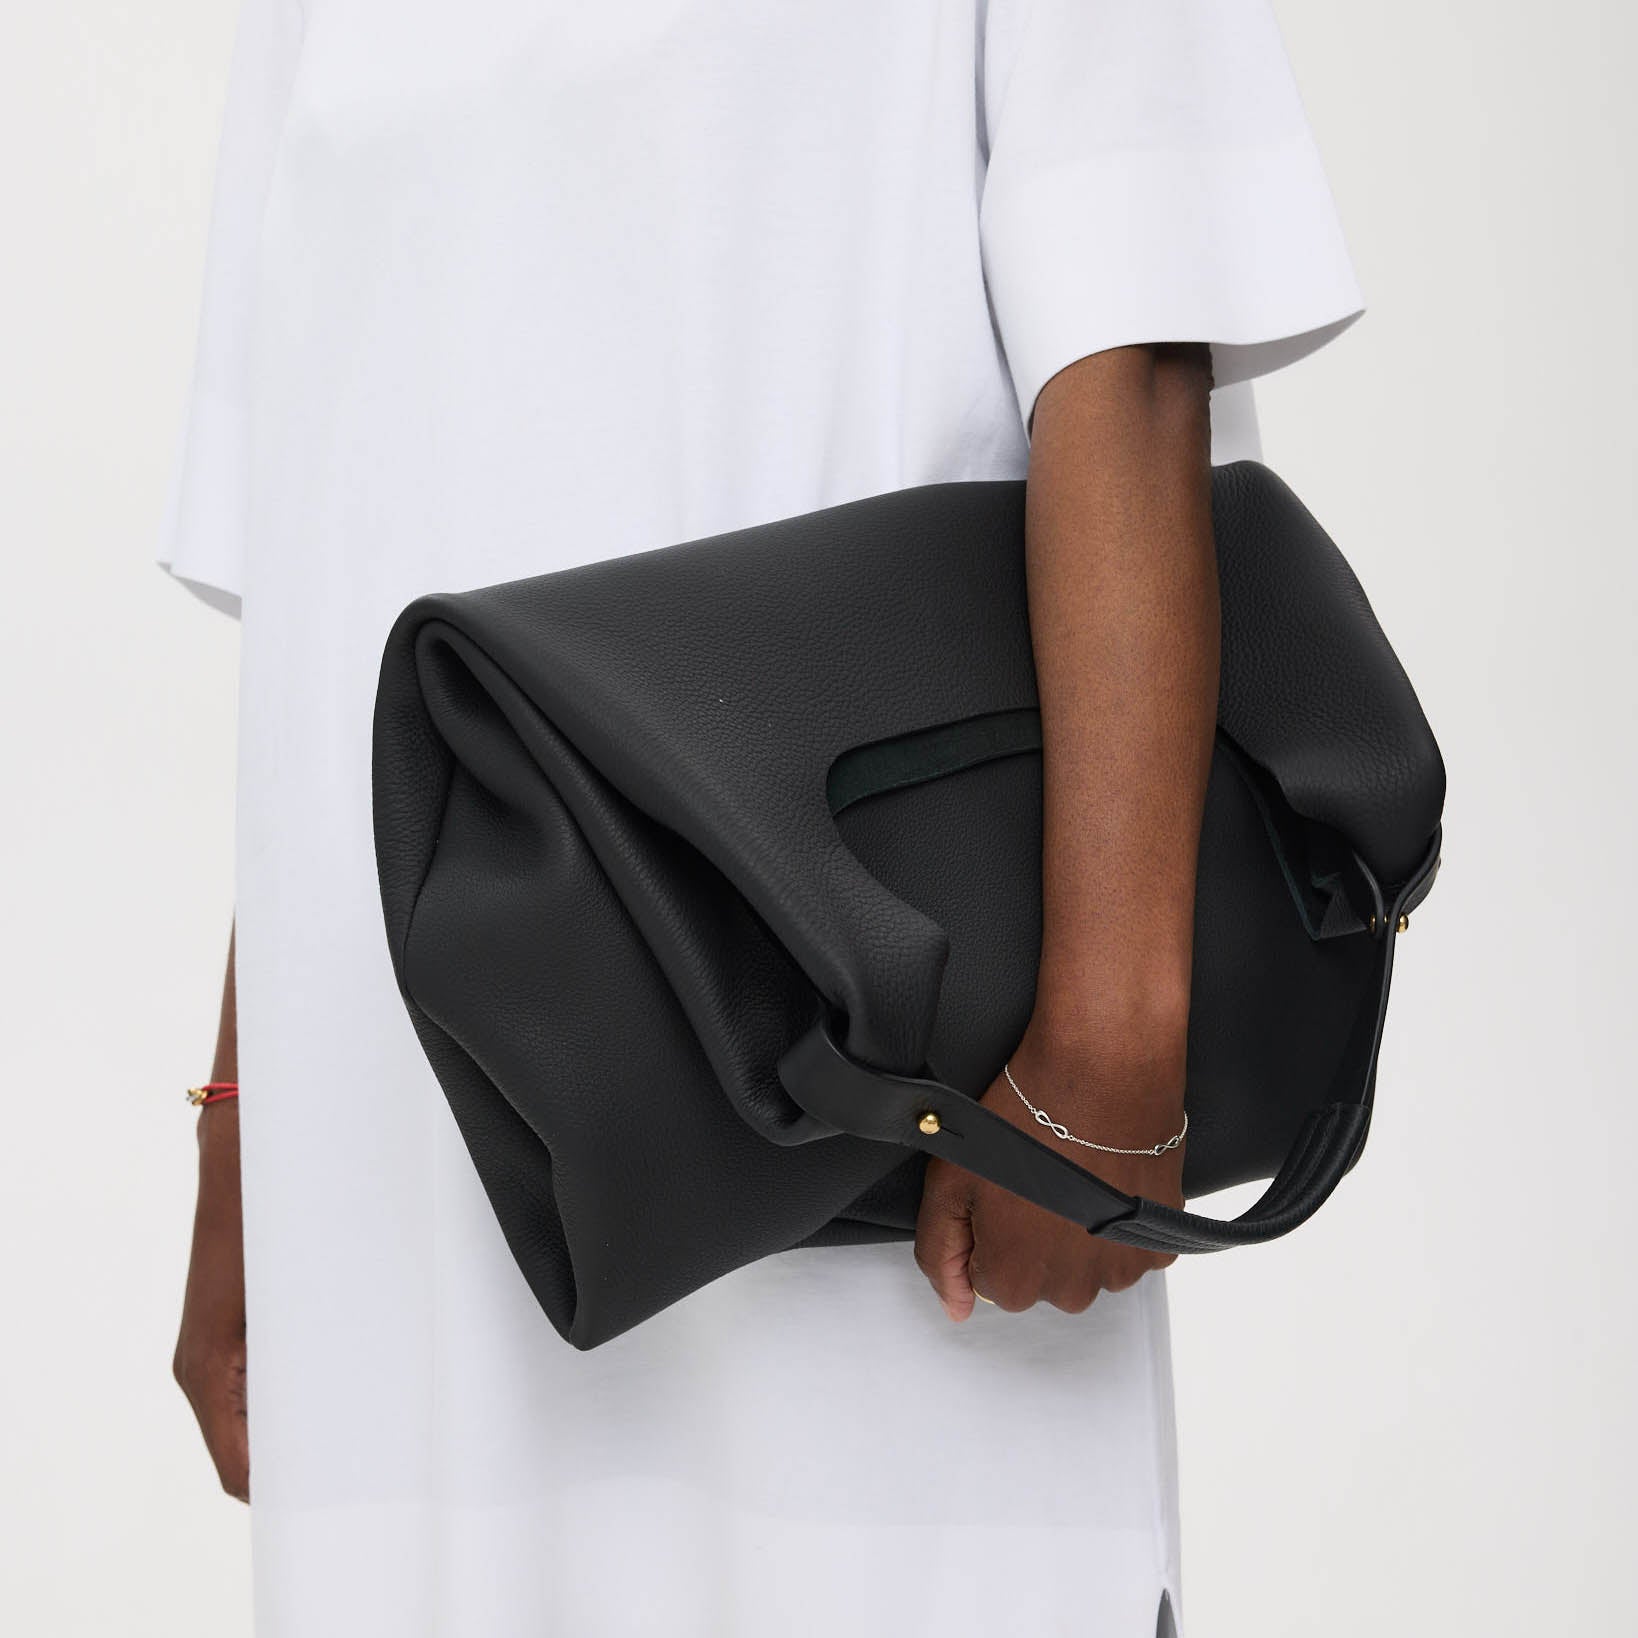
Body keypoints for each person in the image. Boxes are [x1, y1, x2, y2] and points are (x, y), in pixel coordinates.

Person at [160, 2, 1363, 1633]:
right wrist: (245, 1123)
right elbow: (322, 524)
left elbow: (1130, 339)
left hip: (848, 1074)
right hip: (399, 1175)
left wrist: (1111, 1043)